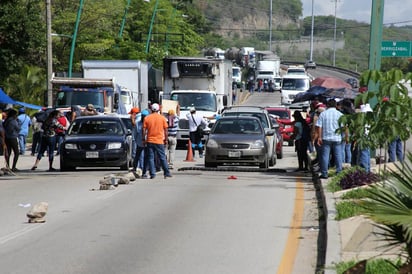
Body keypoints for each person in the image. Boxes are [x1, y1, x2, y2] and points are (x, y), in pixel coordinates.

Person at [142, 103, 172, 179]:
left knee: (151, 158)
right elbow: (166, 130)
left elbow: (144, 129)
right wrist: (165, 139)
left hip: (150, 140)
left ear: (151, 109)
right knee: (162, 157)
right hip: (159, 140)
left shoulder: (147, 118)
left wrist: (143, 139)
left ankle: (152, 174)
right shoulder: (162, 118)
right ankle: (167, 173)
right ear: (158, 109)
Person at [315, 99, 343, 179]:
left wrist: (319, 137)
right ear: (335, 105)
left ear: (327, 105)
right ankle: (339, 172)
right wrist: (345, 137)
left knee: (325, 156)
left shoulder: (323, 114)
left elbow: (319, 126)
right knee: (338, 155)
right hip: (337, 138)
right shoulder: (340, 114)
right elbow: (344, 127)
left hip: (326, 138)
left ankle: (324, 173)